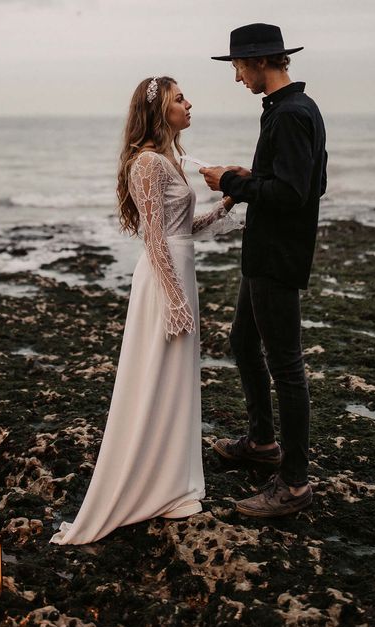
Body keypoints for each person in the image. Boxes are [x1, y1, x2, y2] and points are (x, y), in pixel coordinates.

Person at [50, 76, 234, 545]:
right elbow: (153, 236)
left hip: (179, 272)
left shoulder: (167, 159)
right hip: (164, 280)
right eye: (180, 99)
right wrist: (173, 298)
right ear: (158, 110)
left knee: (177, 379)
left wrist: (224, 207)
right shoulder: (148, 163)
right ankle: (148, 483)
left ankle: (172, 483)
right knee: (156, 376)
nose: (189, 104)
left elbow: (181, 227)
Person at [200, 23, 328, 518]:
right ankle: (260, 442)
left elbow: (296, 195)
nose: (236, 77)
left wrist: (231, 180)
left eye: (236, 67)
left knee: (287, 367)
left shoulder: (292, 115)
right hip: (264, 253)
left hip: (277, 256)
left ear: (258, 62)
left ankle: (294, 484)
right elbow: (309, 182)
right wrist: (254, 178)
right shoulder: (293, 110)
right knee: (241, 342)